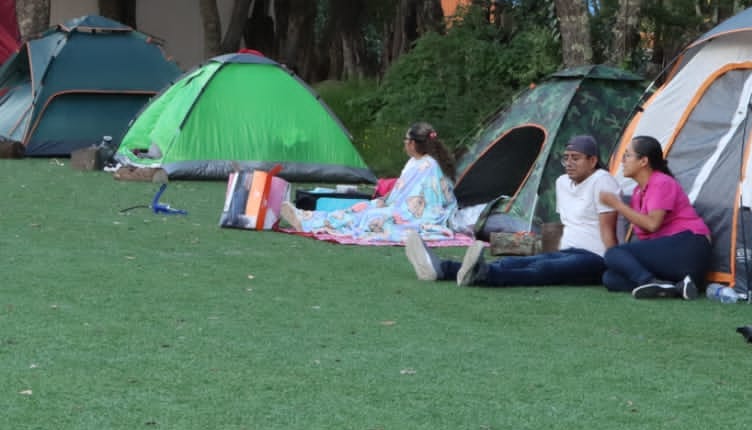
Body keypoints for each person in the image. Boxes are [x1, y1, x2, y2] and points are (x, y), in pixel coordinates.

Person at [403, 134, 620, 287]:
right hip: (565, 246)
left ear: (592, 161)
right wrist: (540, 244)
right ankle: (442, 268)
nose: (569, 163)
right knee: (515, 258)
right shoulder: (562, 182)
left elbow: (608, 231)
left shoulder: (603, 182)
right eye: (566, 157)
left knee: (543, 269)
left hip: (595, 257)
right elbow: (566, 223)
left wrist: (617, 265)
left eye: (576, 158)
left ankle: (485, 276)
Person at [278, 121, 458, 242]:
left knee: (372, 217)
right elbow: (403, 191)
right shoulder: (416, 162)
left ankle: (312, 222)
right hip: (400, 205)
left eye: (405, 140)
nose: (404, 144)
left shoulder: (428, 166)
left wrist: (389, 204)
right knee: (361, 208)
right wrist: (383, 200)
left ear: (412, 143)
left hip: (417, 214)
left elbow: (421, 200)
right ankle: (308, 219)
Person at [598, 135, 713, 299]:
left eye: (627, 155)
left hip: (690, 247)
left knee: (613, 254)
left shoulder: (661, 182)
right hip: (672, 258)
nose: (623, 161)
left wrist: (617, 205)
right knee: (610, 278)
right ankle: (676, 287)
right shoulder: (638, 193)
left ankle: (650, 281)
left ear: (643, 161)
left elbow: (652, 224)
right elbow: (647, 238)